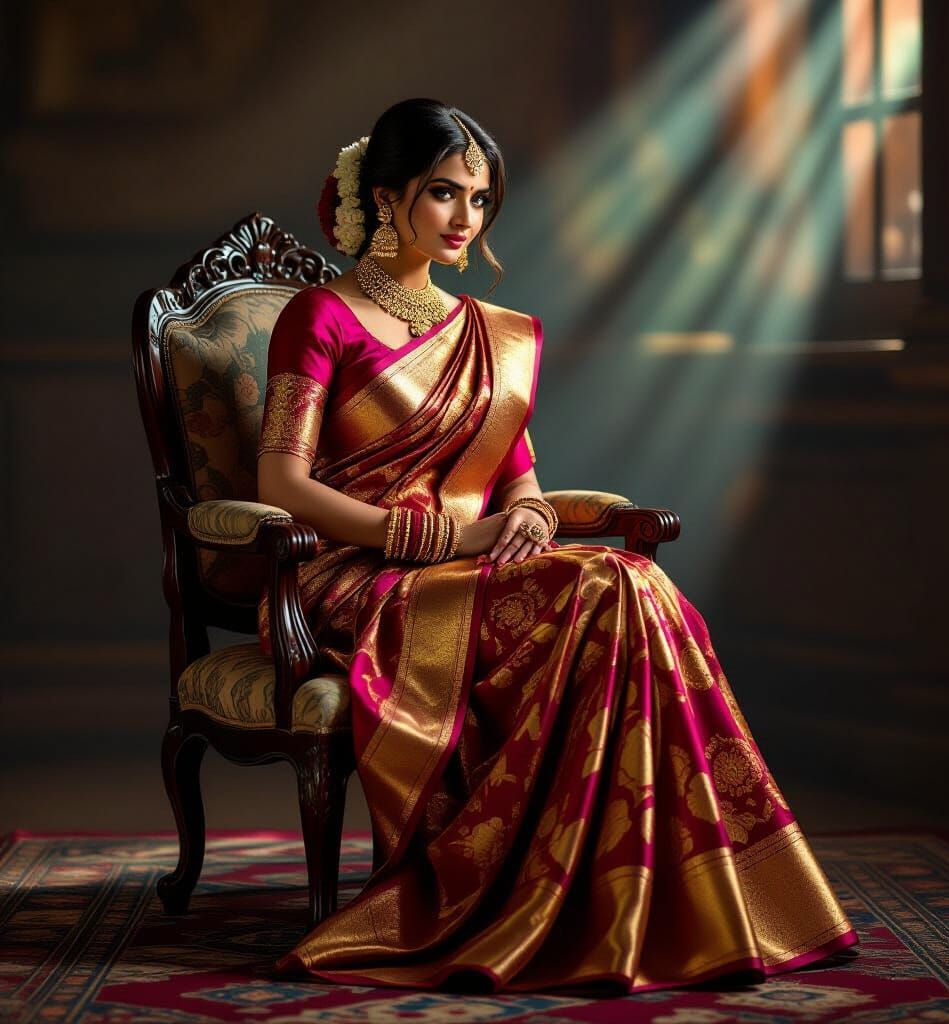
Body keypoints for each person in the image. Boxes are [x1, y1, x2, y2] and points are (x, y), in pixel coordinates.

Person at [257, 97, 857, 994]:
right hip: (365, 575)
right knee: (613, 588)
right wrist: (443, 533)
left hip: (476, 563)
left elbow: (518, 475)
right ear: (386, 197)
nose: (468, 219)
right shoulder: (321, 318)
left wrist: (531, 514)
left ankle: (644, 891)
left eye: (481, 200)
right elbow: (281, 489)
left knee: (632, 587)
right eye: (445, 195)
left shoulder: (488, 334)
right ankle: (544, 887)